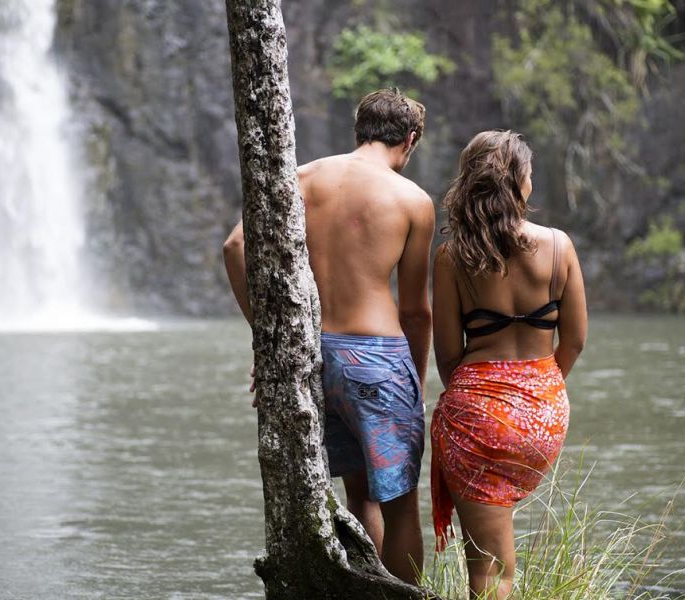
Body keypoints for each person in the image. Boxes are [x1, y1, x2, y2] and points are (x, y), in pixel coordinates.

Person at [222, 88, 435, 584]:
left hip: (315, 354)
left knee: (359, 497)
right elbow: (415, 311)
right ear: (410, 139)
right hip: (378, 359)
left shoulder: (302, 178)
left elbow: (235, 246)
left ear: (359, 131)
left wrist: (271, 340)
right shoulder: (413, 200)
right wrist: (417, 385)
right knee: (401, 505)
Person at [430, 130, 587, 599]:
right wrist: (539, 389)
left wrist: (487, 401)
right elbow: (575, 340)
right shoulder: (559, 246)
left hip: (477, 416)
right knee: (500, 557)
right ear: (520, 182)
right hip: (543, 415)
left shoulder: (452, 258)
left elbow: (447, 356)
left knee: (490, 571)